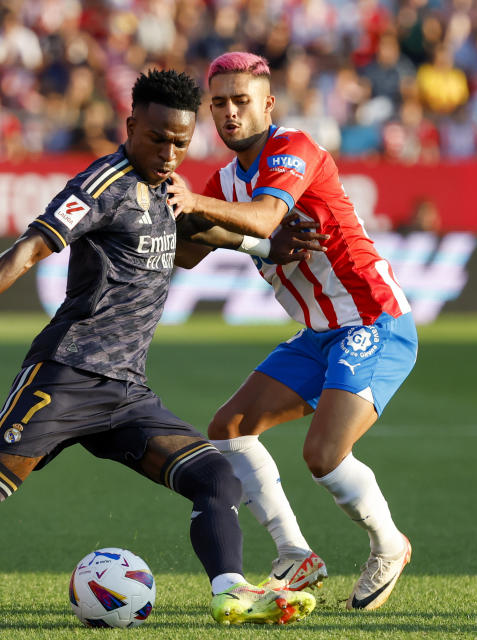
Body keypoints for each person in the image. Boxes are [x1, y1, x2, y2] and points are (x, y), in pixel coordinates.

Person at [0, 69, 316, 627]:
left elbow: (189, 231)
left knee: (216, 477)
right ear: (131, 125)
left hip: (127, 393)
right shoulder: (100, 186)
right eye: (158, 138)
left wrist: (263, 244)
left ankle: (230, 591)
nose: (169, 153)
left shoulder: (170, 189)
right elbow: (28, 249)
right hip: (66, 374)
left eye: (181, 142)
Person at [168, 52, 418, 612]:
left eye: (240, 101)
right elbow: (186, 257)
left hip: (372, 319)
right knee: (229, 428)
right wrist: (171, 214)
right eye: (219, 105)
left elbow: (261, 220)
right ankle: (293, 553)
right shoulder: (225, 179)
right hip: (318, 332)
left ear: (267, 105)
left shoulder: (293, 149)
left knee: (324, 454)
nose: (229, 114)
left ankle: (388, 542)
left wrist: (198, 204)